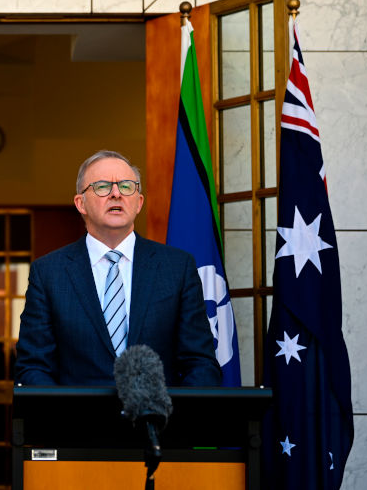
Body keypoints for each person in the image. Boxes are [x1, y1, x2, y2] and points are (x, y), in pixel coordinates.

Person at [15, 150, 221, 386]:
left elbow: (200, 363)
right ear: (80, 203)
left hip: (158, 419)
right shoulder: (49, 273)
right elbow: (33, 367)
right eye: (102, 186)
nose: (116, 194)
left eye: (126, 186)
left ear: (139, 202)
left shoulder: (177, 267)